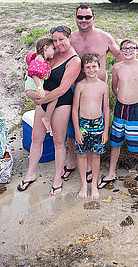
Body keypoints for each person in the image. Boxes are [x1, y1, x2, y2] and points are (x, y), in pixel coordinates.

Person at [60, 4, 123, 182]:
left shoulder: (104, 37)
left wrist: (127, 81)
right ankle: (73, 162)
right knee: (74, 128)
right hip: (75, 89)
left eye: (87, 17)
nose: (84, 20)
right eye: (80, 17)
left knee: (95, 127)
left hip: (99, 91)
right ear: (76, 18)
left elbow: (121, 59)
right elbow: (56, 55)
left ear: (93, 18)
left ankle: (89, 165)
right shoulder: (70, 38)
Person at [17, 26, 81, 196]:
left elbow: (62, 89)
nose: (58, 43)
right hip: (43, 100)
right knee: (36, 139)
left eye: (61, 39)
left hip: (61, 102)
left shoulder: (74, 60)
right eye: (55, 40)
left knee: (59, 142)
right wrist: (37, 99)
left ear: (69, 39)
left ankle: (57, 179)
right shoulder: (52, 53)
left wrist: (39, 100)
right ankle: (30, 174)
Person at [98, 39, 138, 202]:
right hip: (120, 109)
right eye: (124, 48)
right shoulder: (117, 67)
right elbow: (114, 87)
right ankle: (111, 173)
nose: (128, 51)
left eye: (131, 48)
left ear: (137, 50)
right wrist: (122, 98)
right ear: (120, 51)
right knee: (115, 142)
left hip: (137, 110)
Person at [71, 53, 110, 199]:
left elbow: (106, 109)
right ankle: (83, 185)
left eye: (94, 66)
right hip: (83, 124)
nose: (91, 69)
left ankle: (93, 184)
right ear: (83, 69)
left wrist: (105, 131)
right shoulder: (80, 86)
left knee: (95, 155)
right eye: (87, 67)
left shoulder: (104, 86)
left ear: (99, 67)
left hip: (98, 124)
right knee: (82, 154)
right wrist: (77, 130)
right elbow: (75, 109)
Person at [24, 37, 57, 134]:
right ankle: (47, 119)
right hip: (33, 89)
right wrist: (40, 88)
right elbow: (34, 74)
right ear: (45, 48)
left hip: (31, 90)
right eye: (53, 49)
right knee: (54, 97)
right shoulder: (39, 59)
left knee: (45, 99)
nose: (54, 52)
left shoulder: (41, 59)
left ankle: (46, 118)